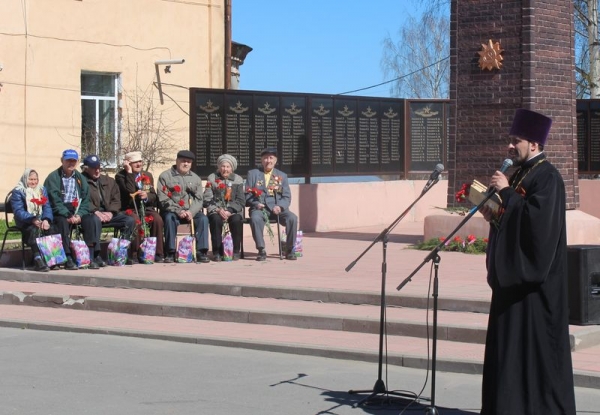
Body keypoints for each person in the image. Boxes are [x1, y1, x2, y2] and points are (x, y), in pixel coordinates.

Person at [479, 109, 576, 414]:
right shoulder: (520, 173)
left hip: (536, 288)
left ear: (534, 144)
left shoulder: (548, 177)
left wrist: (507, 194)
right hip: (512, 281)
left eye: (516, 140)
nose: (510, 146)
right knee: (509, 352)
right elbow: (512, 218)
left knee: (535, 356)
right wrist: (493, 210)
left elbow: (538, 227)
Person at [44, 149, 97, 270]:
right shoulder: (53, 177)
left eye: (74, 161)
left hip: (75, 210)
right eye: (68, 161)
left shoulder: (80, 178)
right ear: (62, 161)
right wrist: (67, 215)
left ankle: (90, 256)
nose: (71, 163)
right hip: (59, 211)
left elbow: (85, 199)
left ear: (77, 162)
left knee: (90, 220)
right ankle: (67, 257)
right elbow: (54, 200)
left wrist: (79, 215)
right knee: (62, 222)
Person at [81, 155, 137, 265]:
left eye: (98, 167)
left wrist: (111, 212)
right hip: (91, 214)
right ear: (86, 168)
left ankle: (121, 253)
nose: (97, 171)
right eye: (93, 168)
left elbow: (117, 199)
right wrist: (95, 211)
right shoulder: (81, 181)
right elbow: (82, 200)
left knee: (129, 221)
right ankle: (96, 255)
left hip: (109, 213)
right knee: (94, 221)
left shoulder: (109, 181)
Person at [157, 150, 210, 263]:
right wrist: (178, 210)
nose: (186, 164)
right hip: (172, 211)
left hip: (191, 212)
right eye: (183, 161)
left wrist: (191, 211)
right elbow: (163, 199)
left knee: (203, 219)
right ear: (177, 161)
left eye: (188, 162)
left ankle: (201, 251)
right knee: (169, 218)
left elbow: (199, 199)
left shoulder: (195, 178)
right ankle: (170, 252)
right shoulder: (165, 176)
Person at [246, 147, 298, 261]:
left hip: (277, 208)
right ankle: (261, 249)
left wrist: (280, 206)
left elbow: (287, 196)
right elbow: (247, 195)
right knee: (255, 218)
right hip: (260, 208)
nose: (268, 161)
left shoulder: (282, 175)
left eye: (271, 158)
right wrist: (256, 204)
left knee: (292, 218)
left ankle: (289, 249)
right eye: (265, 158)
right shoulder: (253, 174)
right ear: (261, 160)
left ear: (275, 160)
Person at [115, 151, 165, 263]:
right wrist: (129, 173)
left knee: (157, 219)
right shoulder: (120, 176)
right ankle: (135, 253)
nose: (138, 164)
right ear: (128, 164)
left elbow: (153, 195)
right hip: (129, 207)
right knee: (135, 220)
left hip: (146, 207)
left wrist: (147, 196)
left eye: (140, 161)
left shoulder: (147, 175)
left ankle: (157, 252)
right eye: (134, 162)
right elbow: (130, 191)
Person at [10, 169, 54, 272]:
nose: (33, 182)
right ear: (25, 179)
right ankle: (38, 260)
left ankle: (51, 259)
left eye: (35, 179)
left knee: (53, 228)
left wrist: (46, 220)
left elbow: (47, 207)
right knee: (33, 230)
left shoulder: (42, 190)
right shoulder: (18, 191)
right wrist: (32, 219)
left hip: (40, 220)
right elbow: (18, 211)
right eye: (30, 179)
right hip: (25, 222)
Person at [203, 154, 245, 261]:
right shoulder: (212, 178)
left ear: (232, 168)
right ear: (218, 167)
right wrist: (217, 209)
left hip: (232, 211)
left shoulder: (238, 179)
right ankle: (217, 251)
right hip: (216, 210)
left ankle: (235, 250)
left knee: (236, 220)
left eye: (227, 167)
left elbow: (241, 200)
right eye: (222, 166)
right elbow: (207, 198)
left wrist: (229, 210)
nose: (225, 169)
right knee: (215, 220)